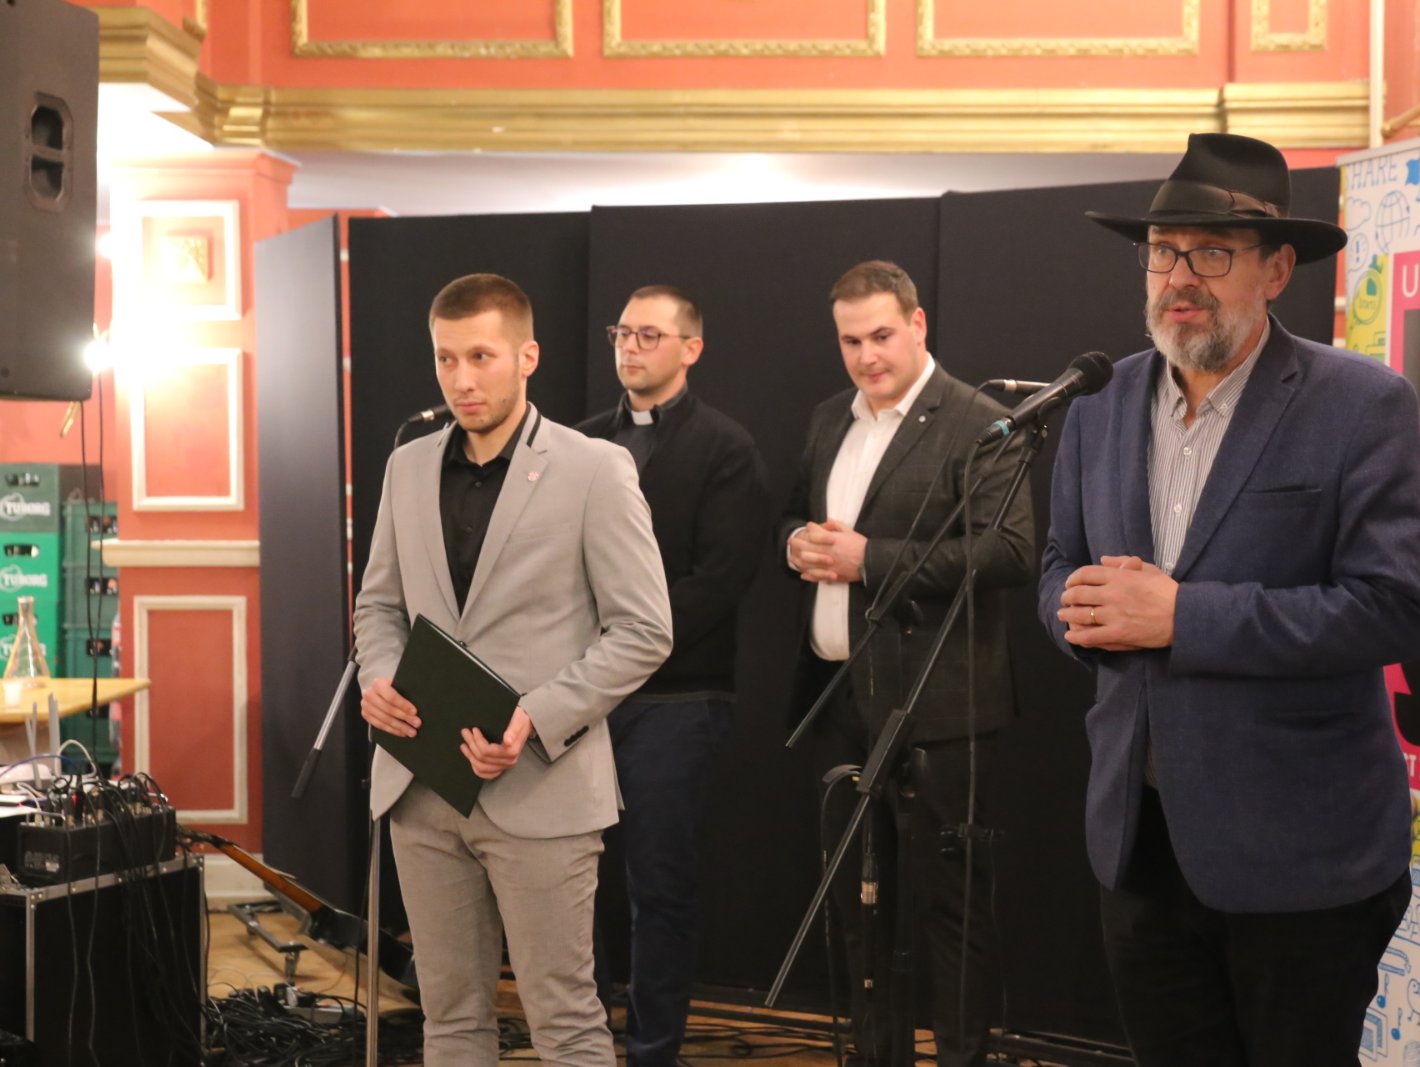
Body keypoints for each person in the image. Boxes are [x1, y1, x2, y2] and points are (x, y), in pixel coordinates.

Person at [1037, 133, 1420, 1066]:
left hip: (1301, 854)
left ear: (1277, 269)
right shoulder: (1097, 401)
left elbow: (1393, 606)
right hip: (1141, 844)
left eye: (1212, 253)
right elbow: (1059, 563)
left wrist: (1183, 616)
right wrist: (1079, 614)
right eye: (1163, 251)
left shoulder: (1360, 402)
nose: (1180, 277)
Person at [354, 272, 673, 1066]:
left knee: (565, 1024)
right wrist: (378, 678)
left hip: (542, 790)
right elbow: (379, 605)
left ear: (527, 356)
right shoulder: (406, 467)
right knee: (449, 1020)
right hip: (421, 785)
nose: (462, 379)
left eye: (482, 356)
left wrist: (536, 713)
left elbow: (645, 630)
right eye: (446, 358)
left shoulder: (595, 468)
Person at [780, 260, 1035, 1067]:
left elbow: (1010, 550)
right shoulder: (829, 418)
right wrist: (795, 542)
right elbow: (796, 514)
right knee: (860, 913)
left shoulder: (982, 421)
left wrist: (872, 559)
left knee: (948, 914)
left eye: (882, 335)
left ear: (919, 325)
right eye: (850, 340)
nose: (866, 356)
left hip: (941, 714)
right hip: (842, 701)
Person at [577, 285, 769, 1067]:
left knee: (659, 885)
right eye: (622, 332)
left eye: (649, 335)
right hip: (584, 697)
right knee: (573, 879)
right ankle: (582, 1043)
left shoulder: (727, 449)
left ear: (691, 348)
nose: (630, 347)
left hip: (678, 697)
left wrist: (620, 645)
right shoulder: (582, 442)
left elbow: (718, 583)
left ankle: (652, 1051)